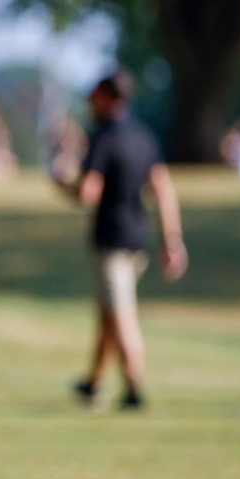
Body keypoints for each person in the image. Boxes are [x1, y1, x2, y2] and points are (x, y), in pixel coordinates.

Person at [56, 70, 188, 409]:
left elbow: (89, 193)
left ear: (107, 97)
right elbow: (162, 189)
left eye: (94, 96)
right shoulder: (145, 138)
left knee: (121, 316)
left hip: (111, 244)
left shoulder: (103, 138)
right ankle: (93, 384)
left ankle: (133, 389)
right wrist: (172, 240)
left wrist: (62, 184)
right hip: (138, 243)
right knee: (108, 317)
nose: (89, 102)